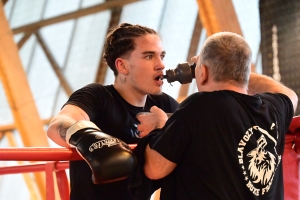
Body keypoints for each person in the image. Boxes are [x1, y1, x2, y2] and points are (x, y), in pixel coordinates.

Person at [141, 32, 298, 199]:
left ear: (203, 72)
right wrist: (234, 69)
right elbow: (289, 94)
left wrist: (161, 125)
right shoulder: (272, 109)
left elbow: (154, 168)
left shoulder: (199, 106)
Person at [47, 23, 179, 200]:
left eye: (161, 56)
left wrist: (163, 125)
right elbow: (59, 124)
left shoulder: (164, 104)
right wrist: (92, 140)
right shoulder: (98, 96)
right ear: (123, 66)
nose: (161, 65)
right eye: (149, 56)